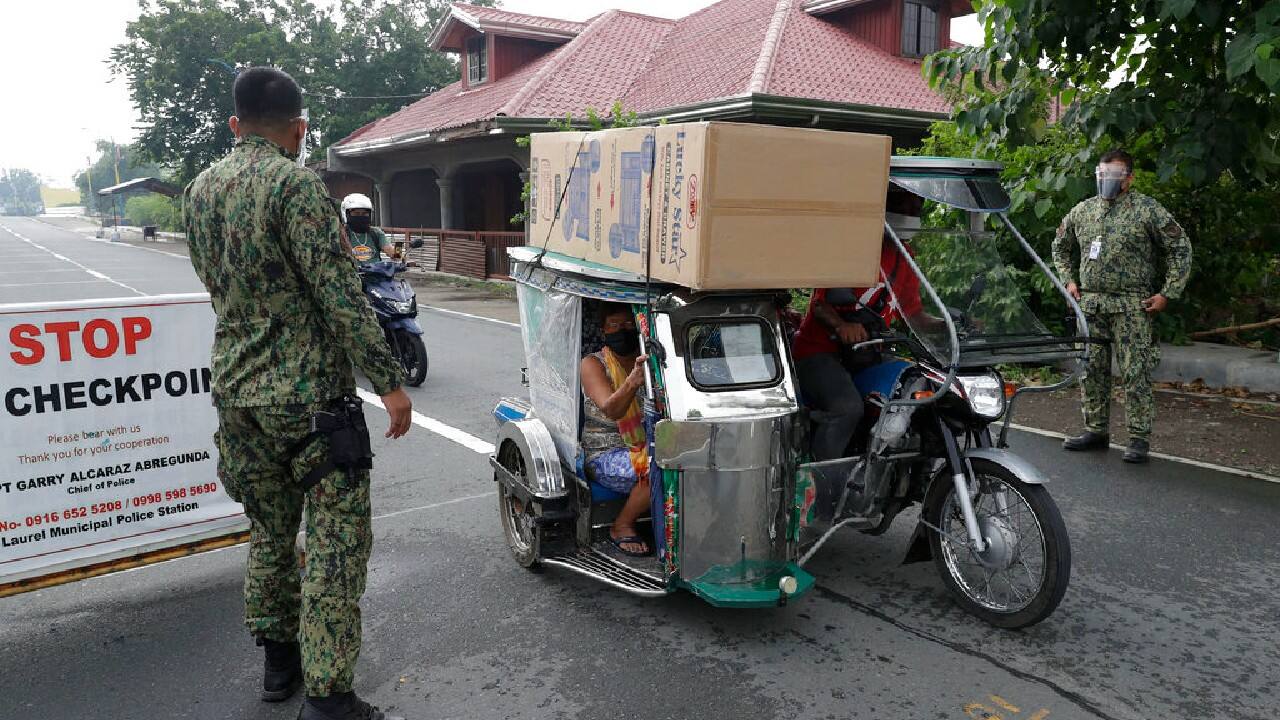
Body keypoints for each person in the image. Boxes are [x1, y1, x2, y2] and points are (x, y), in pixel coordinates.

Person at [183, 67, 411, 720]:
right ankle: (330, 697)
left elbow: (217, 284)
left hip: (236, 394)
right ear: (299, 130)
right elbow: (341, 294)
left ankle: (278, 667)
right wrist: (389, 382)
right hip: (310, 401)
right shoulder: (297, 188)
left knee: (270, 531)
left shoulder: (200, 192)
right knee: (336, 544)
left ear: (236, 124)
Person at [1052, 149, 1192, 464]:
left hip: (1133, 305)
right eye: (1102, 175)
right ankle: (1096, 430)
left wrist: (1167, 293)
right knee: (1091, 370)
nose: (1107, 181)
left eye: (1114, 175)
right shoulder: (1084, 210)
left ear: (1129, 178)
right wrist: (1068, 280)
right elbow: (1059, 246)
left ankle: (1139, 437)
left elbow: (1180, 247)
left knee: (1135, 372)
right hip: (1091, 303)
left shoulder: (1147, 210)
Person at [791, 191, 933, 461]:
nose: (912, 215)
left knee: (921, 390)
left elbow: (913, 314)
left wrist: (952, 327)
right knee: (847, 409)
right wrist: (842, 325)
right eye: (906, 207)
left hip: (866, 355)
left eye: (917, 209)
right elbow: (821, 304)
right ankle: (820, 488)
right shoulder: (856, 249)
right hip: (818, 353)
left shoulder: (905, 257)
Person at [580, 303, 652, 557]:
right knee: (658, 467)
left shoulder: (650, 360)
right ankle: (621, 525)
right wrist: (632, 382)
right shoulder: (593, 364)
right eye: (615, 325)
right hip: (606, 453)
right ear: (603, 330)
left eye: (629, 325)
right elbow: (611, 409)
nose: (623, 330)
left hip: (650, 443)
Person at [341, 193, 399, 263]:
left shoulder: (375, 233)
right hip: (352, 273)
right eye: (356, 213)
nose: (361, 217)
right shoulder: (342, 233)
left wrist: (400, 248)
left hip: (375, 273)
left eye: (364, 214)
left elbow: (392, 252)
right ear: (346, 214)